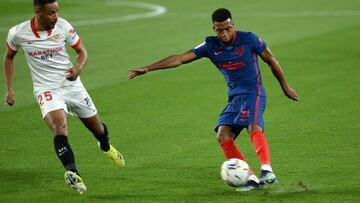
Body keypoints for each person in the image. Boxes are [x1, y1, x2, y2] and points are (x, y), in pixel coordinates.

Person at [128, 8, 298, 192]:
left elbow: (271, 59)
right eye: (219, 30)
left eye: (228, 28)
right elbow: (180, 58)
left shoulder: (249, 39)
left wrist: (285, 87)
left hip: (253, 92)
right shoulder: (210, 46)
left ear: (233, 25)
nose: (224, 33)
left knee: (253, 126)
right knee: (223, 135)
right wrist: (148, 68)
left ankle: (267, 169)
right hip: (234, 97)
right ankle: (250, 178)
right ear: (214, 28)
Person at [3, 0, 125, 194]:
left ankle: (105, 146)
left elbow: (81, 51)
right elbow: (9, 57)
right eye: (51, 13)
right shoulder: (18, 33)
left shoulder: (63, 26)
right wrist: (10, 89)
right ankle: (72, 172)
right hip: (46, 89)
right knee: (59, 127)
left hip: (72, 85)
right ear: (38, 12)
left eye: (57, 12)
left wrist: (78, 68)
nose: (55, 17)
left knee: (98, 129)